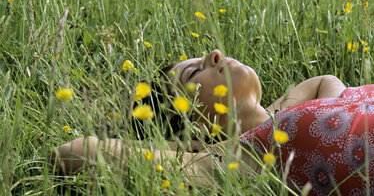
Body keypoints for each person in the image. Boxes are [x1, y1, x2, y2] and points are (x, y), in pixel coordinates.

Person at [51, 49, 374, 195]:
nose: (215, 54)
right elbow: (71, 152)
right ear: (196, 123)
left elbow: (324, 80)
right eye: (194, 72)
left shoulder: (281, 120)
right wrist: (181, 148)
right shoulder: (241, 158)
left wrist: (337, 104)